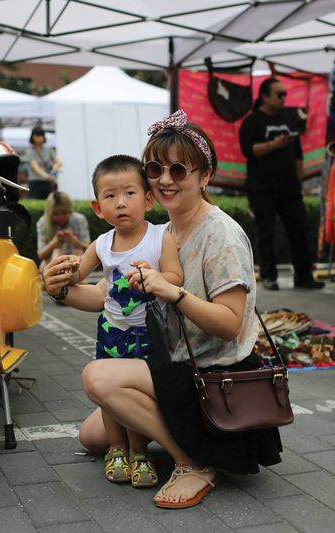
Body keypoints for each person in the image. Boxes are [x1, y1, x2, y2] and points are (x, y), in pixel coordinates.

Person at [43, 110, 283, 509]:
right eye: (155, 168)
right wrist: (60, 291)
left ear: (205, 176)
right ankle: (174, 429)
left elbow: (230, 324)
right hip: (172, 362)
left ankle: (192, 461)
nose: (166, 179)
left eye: (179, 169)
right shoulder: (165, 231)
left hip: (211, 373)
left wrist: (174, 294)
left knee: (99, 379)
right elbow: (106, 293)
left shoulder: (220, 234)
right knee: (92, 438)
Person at [58, 154, 182, 489]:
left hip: (150, 335)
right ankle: (116, 448)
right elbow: (79, 276)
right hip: (112, 332)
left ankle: (139, 451)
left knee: (128, 393)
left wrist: (155, 275)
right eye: (110, 196)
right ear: (99, 208)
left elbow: (176, 276)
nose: (121, 203)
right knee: (109, 396)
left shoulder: (161, 238)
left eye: (129, 193)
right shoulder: (101, 245)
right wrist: (61, 273)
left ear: (148, 199)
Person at [239, 77, 323, 291]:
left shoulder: (289, 117)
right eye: (279, 94)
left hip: (290, 187)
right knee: (266, 232)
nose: (284, 98)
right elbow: (249, 150)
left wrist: (299, 177)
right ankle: (269, 276)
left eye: (285, 94)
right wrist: (274, 144)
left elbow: (298, 152)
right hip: (262, 187)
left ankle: (304, 276)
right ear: (265, 96)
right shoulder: (252, 121)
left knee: (300, 230)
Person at [36, 191, 90, 272]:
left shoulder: (79, 220)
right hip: (52, 261)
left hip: (75, 260)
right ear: (49, 213)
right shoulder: (43, 222)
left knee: (79, 252)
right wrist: (54, 243)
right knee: (56, 252)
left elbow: (89, 250)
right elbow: (41, 255)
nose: (61, 218)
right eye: (56, 214)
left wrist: (74, 241)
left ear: (70, 211)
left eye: (64, 213)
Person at [25, 126, 62, 199]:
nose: (39, 138)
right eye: (37, 136)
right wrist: (48, 176)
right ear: (32, 137)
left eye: (41, 135)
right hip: (35, 182)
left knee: (49, 202)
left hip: (47, 183)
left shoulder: (49, 150)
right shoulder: (30, 151)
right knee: (34, 203)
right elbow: (35, 167)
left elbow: (58, 162)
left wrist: (53, 170)